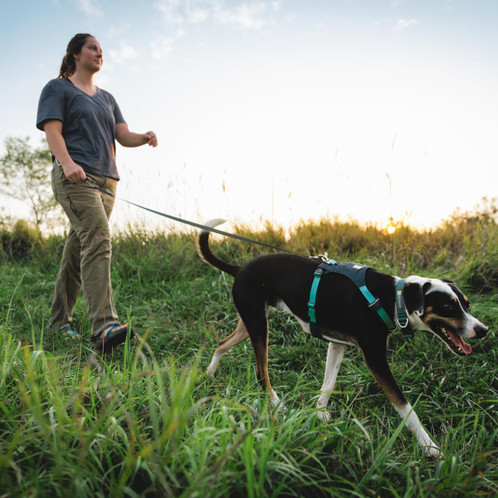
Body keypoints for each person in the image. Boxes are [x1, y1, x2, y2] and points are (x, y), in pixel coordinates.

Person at [36, 33, 158, 352]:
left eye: (101, 50)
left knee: (79, 248)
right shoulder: (58, 88)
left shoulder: (107, 98)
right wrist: (66, 163)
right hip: (76, 178)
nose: (99, 53)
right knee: (99, 238)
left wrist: (143, 137)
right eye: (92, 48)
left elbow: (122, 135)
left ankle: (58, 322)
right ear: (76, 54)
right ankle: (104, 325)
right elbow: (53, 130)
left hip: (108, 182)